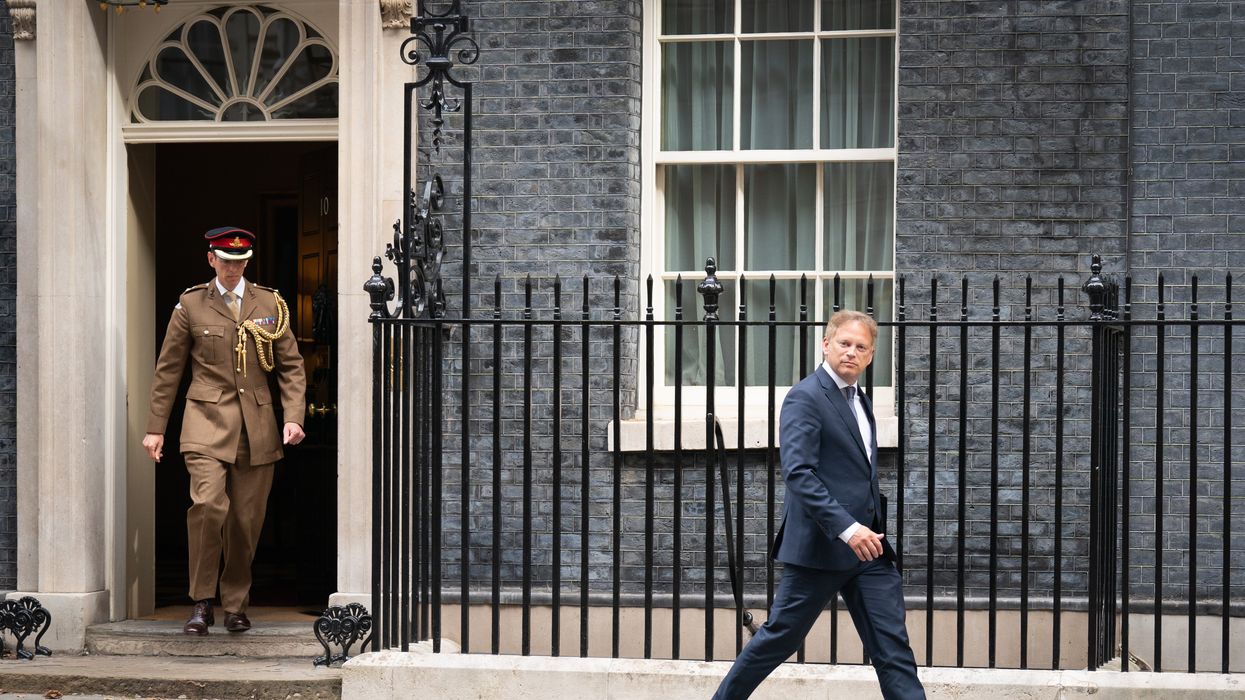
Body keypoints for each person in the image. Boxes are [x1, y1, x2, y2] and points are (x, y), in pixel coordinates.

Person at [713, 310, 924, 699]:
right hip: (821, 548)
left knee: (893, 650)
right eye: (844, 343)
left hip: (869, 552)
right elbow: (799, 474)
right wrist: (847, 528)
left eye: (861, 347)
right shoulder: (806, 397)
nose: (851, 352)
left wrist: (865, 528)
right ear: (826, 344)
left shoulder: (861, 400)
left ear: (871, 355)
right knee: (778, 640)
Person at [142, 226, 306, 636]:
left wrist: (294, 416)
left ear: (247, 262)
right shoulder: (191, 304)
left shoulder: (270, 303)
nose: (233, 269)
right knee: (209, 506)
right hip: (205, 422)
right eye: (226, 261)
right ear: (211, 259)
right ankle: (201, 601)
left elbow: (291, 366)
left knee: (245, 521)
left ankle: (235, 605)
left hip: (258, 425)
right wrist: (155, 428)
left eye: (240, 262)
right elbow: (168, 370)